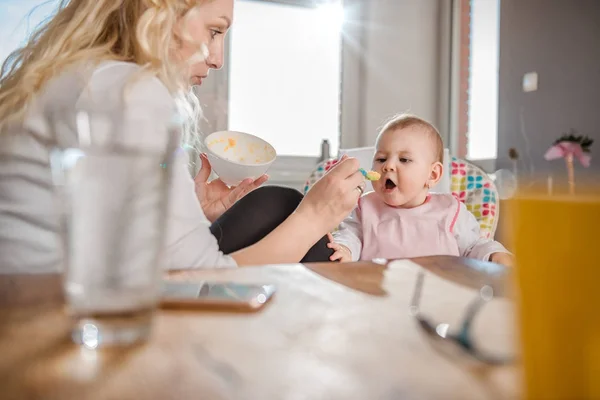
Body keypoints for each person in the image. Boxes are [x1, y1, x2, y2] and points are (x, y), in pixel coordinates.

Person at [0, 0, 365, 273]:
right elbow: (198, 281)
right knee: (286, 208)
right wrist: (317, 214)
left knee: (273, 203)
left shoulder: (85, 80)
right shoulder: (127, 91)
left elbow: (104, 236)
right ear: (159, 11)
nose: (218, 58)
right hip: (56, 324)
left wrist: (192, 219)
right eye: (214, 31)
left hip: (49, 300)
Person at [328, 114, 514, 267]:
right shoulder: (365, 207)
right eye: (381, 159)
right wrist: (345, 249)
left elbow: (473, 247)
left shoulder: (450, 210)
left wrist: (493, 254)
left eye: (404, 160)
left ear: (433, 175)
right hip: (378, 293)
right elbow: (349, 236)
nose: (388, 166)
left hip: (439, 295)